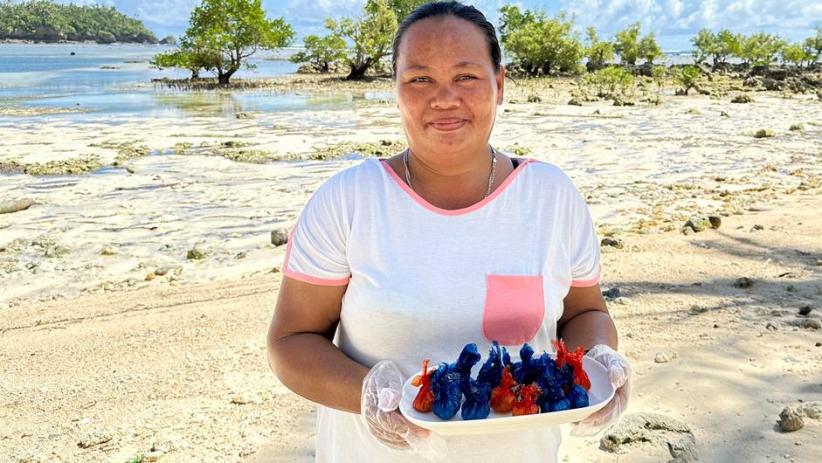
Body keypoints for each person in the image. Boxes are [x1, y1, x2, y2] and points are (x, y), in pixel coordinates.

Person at [266, 2, 631, 461]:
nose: (444, 98)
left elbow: (584, 312)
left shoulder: (551, 196)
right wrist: (369, 392)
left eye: (466, 77)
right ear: (395, 90)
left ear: (499, 85)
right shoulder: (349, 199)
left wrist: (597, 362)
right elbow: (291, 342)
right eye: (420, 78)